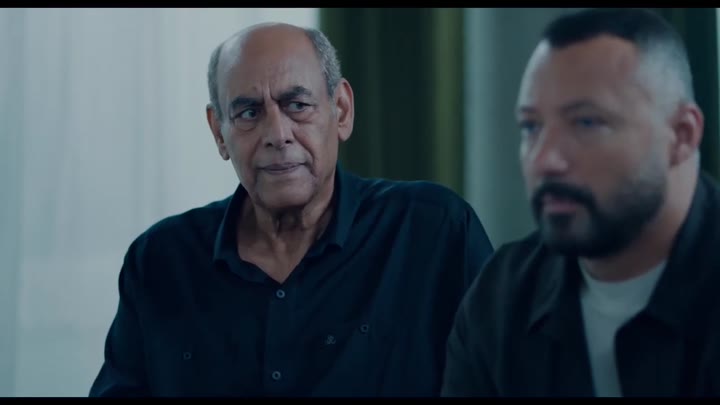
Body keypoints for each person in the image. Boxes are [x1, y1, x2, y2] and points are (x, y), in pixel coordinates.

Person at [89, 22, 494, 397]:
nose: (278, 134)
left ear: (341, 110)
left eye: (297, 105)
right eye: (249, 113)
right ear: (219, 133)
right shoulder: (161, 261)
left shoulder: (432, 230)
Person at [442, 8, 720, 397]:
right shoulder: (501, 298)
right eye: (531, 127)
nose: (544, 159)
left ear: (682, 135)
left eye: (587, 122)